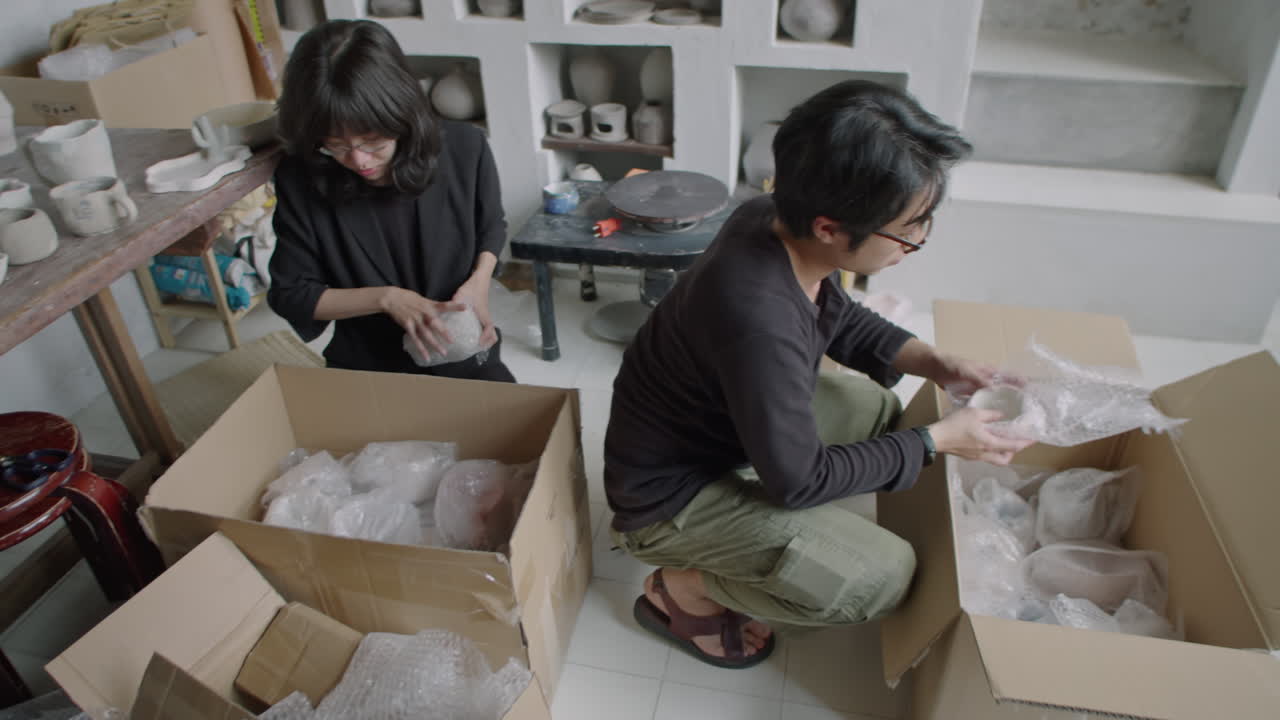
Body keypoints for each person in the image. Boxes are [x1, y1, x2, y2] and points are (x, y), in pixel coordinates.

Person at [603, 80, 1034, 669]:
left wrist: (934, 361)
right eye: (908, 229)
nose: (916, 242)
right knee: (881, 578)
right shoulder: (759, 321)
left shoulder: (771, 218)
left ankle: (764, 527)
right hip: (667, 499)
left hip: (711, 427)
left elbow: (839, 313)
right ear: (830, 228)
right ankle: (685, 588)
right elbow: (800, 482)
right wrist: (939, 440)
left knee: (878, 415)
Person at [267, 19, 515, 382]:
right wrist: (387, 299)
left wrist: (479, 281)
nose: (358, 160)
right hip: (369, 363)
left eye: (374, 141)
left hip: (463, 348)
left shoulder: (465, 148)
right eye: (335, 145)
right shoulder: (303, 178)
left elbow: (491, 225)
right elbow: (291, 294)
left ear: (402, 116)